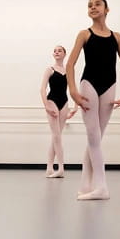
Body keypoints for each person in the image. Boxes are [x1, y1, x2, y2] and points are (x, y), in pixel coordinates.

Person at [66, 0, 120, 200]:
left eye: (97, 4)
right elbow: (70, 65)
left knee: (95, 138)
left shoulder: (117, 37)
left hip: (110, 87)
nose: (93, 7)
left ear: (107, 9)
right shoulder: (84, 34)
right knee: (93, 137)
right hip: (89, 86)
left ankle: (86, 184)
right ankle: (101, 186)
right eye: (89, 5)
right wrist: (73, 91)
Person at [40, 45, 77, 178]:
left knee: (56, 137)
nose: (56, 52)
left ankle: (49, 168)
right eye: (55, 51)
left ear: (64, 54)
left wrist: (75, 107)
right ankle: (61, 168)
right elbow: (42, 89)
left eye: (59, 50)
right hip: (52, 102)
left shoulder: (68, 70)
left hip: (64, 102)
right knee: (57, 136)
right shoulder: (49, 70)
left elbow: (74, 89)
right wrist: (46, 106)